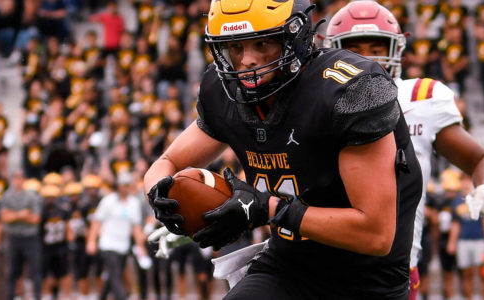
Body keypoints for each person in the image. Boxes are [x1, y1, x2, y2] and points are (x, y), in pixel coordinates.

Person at [145, 0, 423, 298]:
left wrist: (268, 208)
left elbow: (375, 235)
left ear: (295, 36)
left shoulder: (350, 90)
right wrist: (161, 195)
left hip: (369, 280)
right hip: (288, 266)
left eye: (262, 43)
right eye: (236, 48)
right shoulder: (222, 91)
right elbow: (168, 161)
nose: (248, 60)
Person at [323, 1, 484, 299]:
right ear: (332, 50)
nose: (368, 58)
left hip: (395, 267)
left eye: (377, 46)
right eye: (354, 48)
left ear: (397, 48)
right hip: (321, 262)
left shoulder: (420, 98)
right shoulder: (313, 99)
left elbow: (480, 159)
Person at [86, 172, 146, 300]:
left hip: (123, 245)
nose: (126, 187)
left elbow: (136, 227)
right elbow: (97, 222)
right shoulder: (108, 200)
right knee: (116, 275)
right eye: (123, 185)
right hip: (108, 243)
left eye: (128, 185)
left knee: (113, 275)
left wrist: (141, 247)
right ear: (118, 185)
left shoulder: (134, 203)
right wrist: (91, 241)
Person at [0, 171, 43, 300]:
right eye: (16, 178)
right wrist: (21, 215)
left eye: (21, 178)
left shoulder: (32, 196)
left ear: (25, 180)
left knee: (36, 270)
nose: (18, 181)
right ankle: (12, 296)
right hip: (14, 237)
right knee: (13, 271)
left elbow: (36, 218)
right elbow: (4, 217)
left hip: (30, 237)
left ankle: (37, 296)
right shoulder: (7, 196)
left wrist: (14, 215)